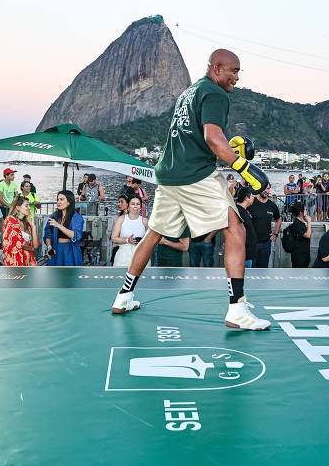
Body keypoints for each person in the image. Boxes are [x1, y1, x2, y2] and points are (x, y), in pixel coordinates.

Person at [110, 48, 270, 330]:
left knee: (153, 234)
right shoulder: (215, 94)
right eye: (233, 71)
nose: (237, 77)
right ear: (217, 68)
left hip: (168, 174)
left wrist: (227, 147)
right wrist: (244, 167)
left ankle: (123, 296)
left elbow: (195, 136)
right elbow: (212, 137)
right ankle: (237, 309)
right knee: (236, 229)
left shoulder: (190, 92)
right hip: (196, 174)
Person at [43, 190, 84, 266]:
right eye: (58, 199)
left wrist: (58, 225)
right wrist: (49, 246)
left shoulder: (77, 218)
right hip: (55, 249)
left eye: (61, 199)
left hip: (69, 250)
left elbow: (75, 235)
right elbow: (47, 234)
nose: (58, 202)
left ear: (69, 202)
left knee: (69, 272)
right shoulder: (53, 216)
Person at [249, 183, 281, 268]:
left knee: (263, 270)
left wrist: (275, 233)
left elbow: (278, 219)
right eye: (265, 188)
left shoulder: (272, 205)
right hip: (252, 244)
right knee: (251, 270)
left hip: (266, 244)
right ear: (260, 189)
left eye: (268, 189)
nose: (266, 191)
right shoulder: (252, 202)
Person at [111, 195, 148, 268]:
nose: (135, 206)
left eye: (138, 204)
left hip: (141, 255)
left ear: (141, 207)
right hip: (123, 256)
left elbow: (151, 238)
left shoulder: (145, 221)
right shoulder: (121, 219)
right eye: (133, 204)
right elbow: (113, 238)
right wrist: (127, 240)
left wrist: (142, 241)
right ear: (128, 206)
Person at [2, 196, 39, 266]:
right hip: (15, 263)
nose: (29, 208)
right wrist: (31, 248)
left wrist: (33, 227)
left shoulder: (27, 223)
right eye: (26, 206)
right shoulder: (10, 220)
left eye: (29, 205)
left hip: (28, 262)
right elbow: (20, 244)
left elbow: (36, 245)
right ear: (18, 207)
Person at [235, 186, 258, 268]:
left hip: (248, 254)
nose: (254, 197)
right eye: (252, 196)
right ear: (246, 197)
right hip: (243, 256)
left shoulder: (244, 211)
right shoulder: (238, 212)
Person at [287, 200, 312, 268]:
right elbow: (308, 235)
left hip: (303, 253)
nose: (306, 211)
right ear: (301, 212)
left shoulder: (300, 223)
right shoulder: (297, 224)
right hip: (299, 256)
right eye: (305, 209)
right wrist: (309, 222)